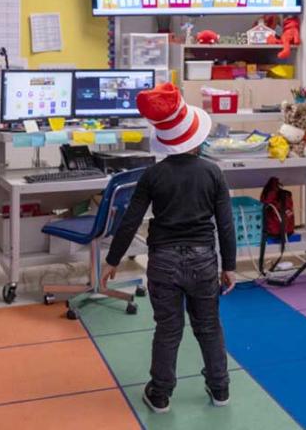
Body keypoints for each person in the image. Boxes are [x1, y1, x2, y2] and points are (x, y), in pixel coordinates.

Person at [101, 83, 237, 414]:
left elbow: (130, 220)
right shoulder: (213, 172)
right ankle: (219, 387)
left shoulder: (152, 175)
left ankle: (160, 393)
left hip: (162, 261)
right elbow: (226, 224)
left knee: (168, 329)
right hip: (205, 260)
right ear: (197, 136)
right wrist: (228, 266)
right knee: (209, 326)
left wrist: (112, 260)